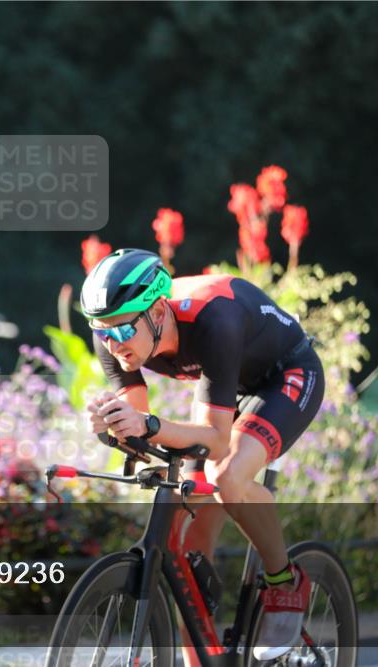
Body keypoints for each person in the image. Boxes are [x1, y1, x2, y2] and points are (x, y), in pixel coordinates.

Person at [81, 248, 325, 662]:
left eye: (121, 332)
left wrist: (151, 425)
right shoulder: (112, 330)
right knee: (183, 542)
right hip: (227, 381)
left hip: (287, 375)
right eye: (102, 332)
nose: (111, 343)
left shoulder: (215, 319)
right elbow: (139, 423)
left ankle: (284, 582)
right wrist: (115, 427)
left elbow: (215, 440)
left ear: (158, 312)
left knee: (227, 476)